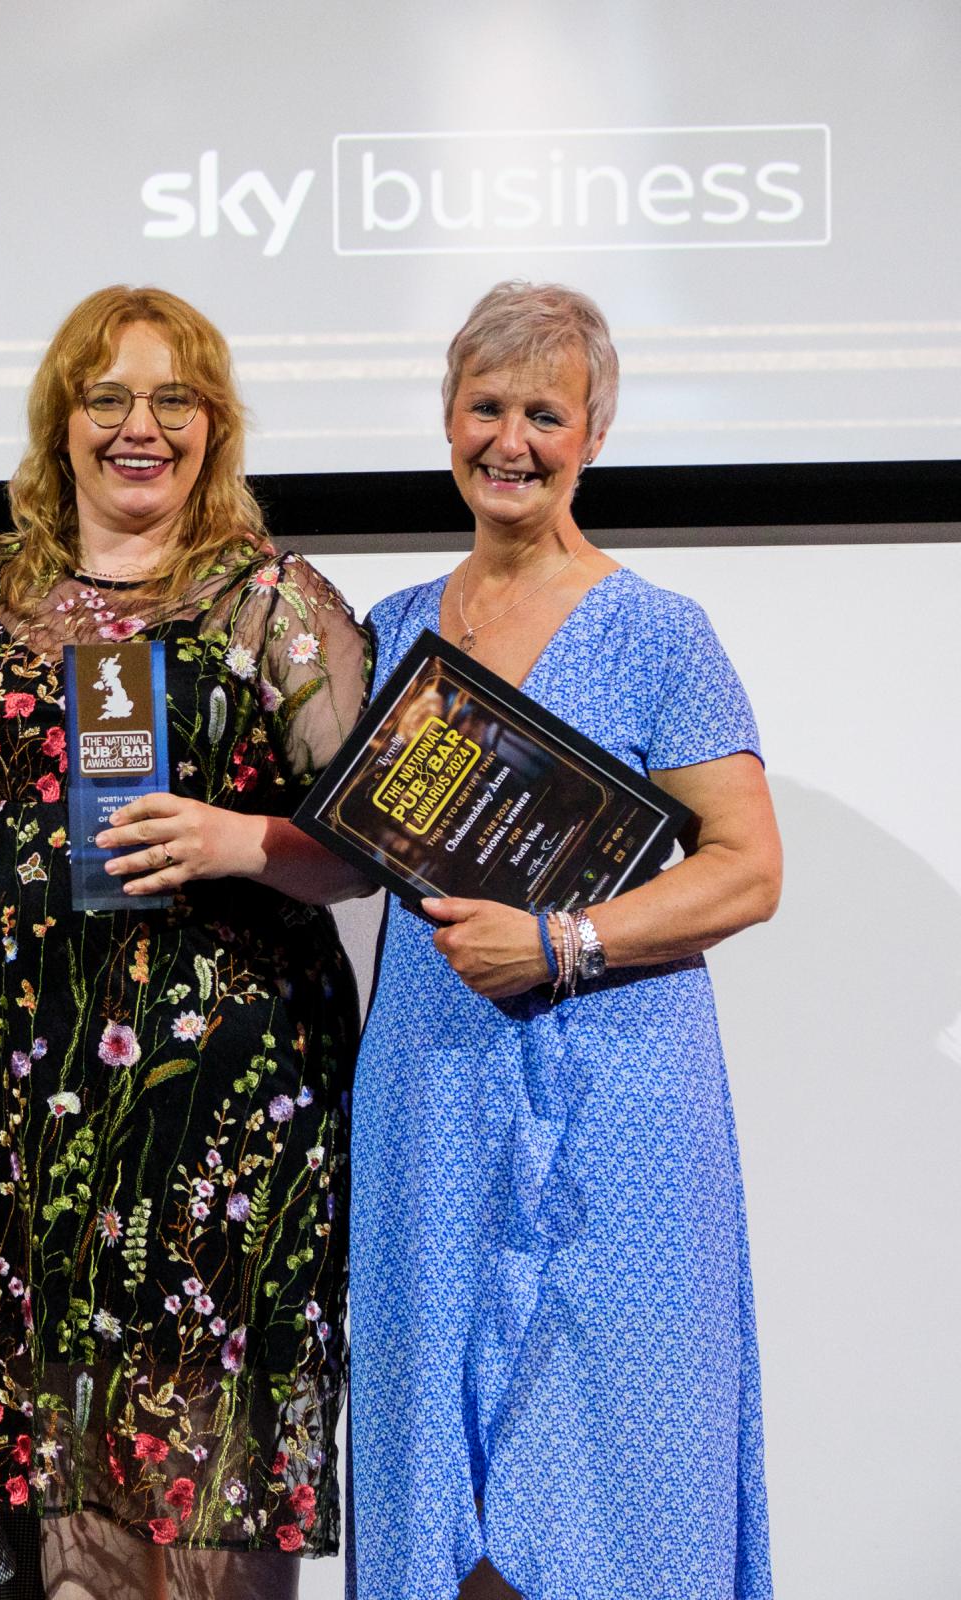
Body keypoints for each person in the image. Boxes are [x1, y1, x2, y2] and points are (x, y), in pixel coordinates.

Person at [0, 285, 374, 1600]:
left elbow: (381, 847)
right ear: (60, 421)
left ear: (213, 428)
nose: (140, 426)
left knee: (194, 1467)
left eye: (175, 398)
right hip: (10, 1090)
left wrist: (241, 843)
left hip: (208, 1094)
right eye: (108, 395)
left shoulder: (272, 602)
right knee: (50, 1494)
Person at [346, 281, 780, 1600]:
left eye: (547, 412)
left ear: (592, 433)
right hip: (429, 1083)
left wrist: (568, 941)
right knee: (435, 1463)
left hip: (621, 1096)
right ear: (446, 416)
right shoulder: (394, 631)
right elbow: (333, 843)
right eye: (486, 406)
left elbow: (748, 867)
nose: (511, 440)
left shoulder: (660, 633)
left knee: (619, 1465)